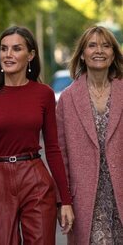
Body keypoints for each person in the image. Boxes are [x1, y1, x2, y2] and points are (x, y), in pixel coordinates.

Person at [0, 25, 74, 244]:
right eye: (3, 49)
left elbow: (53, 149)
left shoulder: (43, 93)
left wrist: (64, 200)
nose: (8, 55)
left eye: (16, 49)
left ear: (31, 55)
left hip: (35, 178)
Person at [56, 25, 123, 244]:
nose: (99, 50)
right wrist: (63, 201)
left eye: (106, 46)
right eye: (92, 45)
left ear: (113, 54)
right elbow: (61, 155)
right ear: (82, 55)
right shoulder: (67, 99)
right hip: (86, 200)